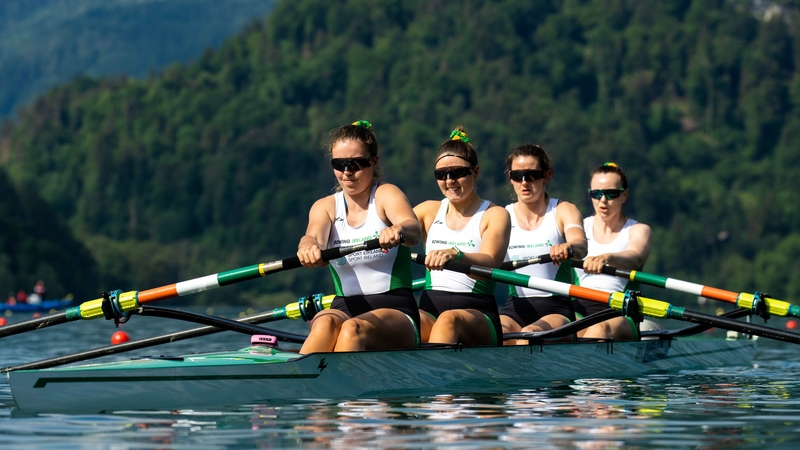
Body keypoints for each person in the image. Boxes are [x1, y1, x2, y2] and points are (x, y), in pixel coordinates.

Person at [297, 120, 422, 353]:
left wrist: (399, 230)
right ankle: (297, 386)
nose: (347, 172)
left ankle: (330, 385)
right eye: (339, 164)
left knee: (352, 328)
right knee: (322, 321)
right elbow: (312, 236)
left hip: (396, 310)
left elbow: (414, 230)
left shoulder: (386, 195)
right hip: (343, 306)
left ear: (373, 162)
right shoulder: (325, 207)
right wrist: (308, 247)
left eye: (356, 163)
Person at [414, 127, 511, 346]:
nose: (449, 181)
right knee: (403, 321)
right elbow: (400, 227)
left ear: (475, 172)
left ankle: (433, 376)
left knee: (449, 320)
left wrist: (457, 255)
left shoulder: (495, 215)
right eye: (441, 175)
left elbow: (490, 263)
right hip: (429, 308)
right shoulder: (427, 211)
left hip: (477, 312)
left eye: (458, 173)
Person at [499, 144, 587, 344]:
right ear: (510, 177)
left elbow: (581, 245)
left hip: (557, 310)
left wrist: (569, 247)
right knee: (495, 336)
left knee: (529, 334)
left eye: (531, 175)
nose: (524, 182)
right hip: (514, 308)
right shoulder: (502, 216)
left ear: (546, 176)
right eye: (517, 175)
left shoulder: (563, 210)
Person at [574, 162, 652, 340]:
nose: (603, 200)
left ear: (624, 195)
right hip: (579, 308)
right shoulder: (578, 229)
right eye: (596, 194)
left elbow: (635, 257)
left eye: (611, 194)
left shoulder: (638, 230)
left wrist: (607, 257)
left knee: (599, 329)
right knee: (566, 330)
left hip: (621, 310)